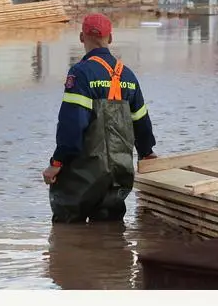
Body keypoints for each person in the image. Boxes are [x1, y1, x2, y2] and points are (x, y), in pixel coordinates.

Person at [42, 13, 157, 223]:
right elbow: (141, 121)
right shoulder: (128, 76)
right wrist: (146, 153)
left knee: (68, 231)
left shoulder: (80, 73)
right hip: (119, 173)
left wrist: (57, 162)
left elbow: (72, 124)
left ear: (81, 37)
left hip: (83, 174)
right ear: (110, 38)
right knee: (110, 229)